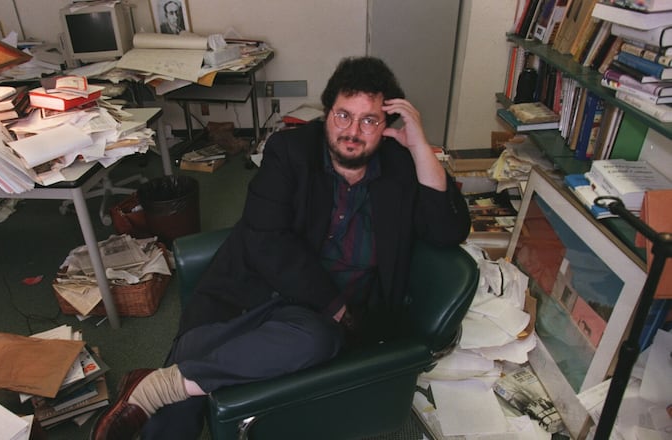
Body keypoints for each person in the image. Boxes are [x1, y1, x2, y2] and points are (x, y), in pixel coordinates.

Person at [91, 56, 471, 440]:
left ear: (386, 125)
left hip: (325, 322)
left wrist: (420, 147)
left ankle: (155, 386)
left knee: (314, 340)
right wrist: (335, 306)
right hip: (256, 292)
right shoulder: (291, 150)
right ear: (327, 113)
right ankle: (155, 395)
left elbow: (448, 231)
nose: (353, 131)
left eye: (369, 120)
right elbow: (265, 238)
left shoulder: (400, 167)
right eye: (343, 116)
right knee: (188, 366)